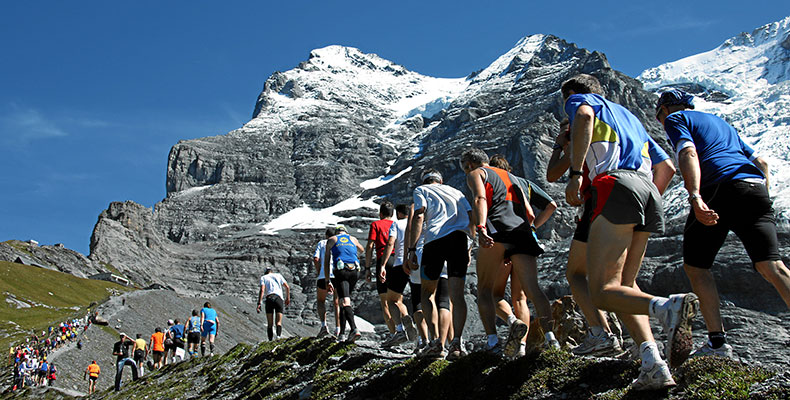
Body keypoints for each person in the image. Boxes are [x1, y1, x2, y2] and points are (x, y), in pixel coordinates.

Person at [562, 74, 697, 390]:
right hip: (648, 191)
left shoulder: (580, 101)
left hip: (613, 185)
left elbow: (582, 116)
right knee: (626, 284)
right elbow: (668, 168)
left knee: (602, 291)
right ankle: (653, 364)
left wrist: (576, 174)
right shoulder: (630, 117)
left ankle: (667, 307)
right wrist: (644, 195)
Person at [656, 89, 790, 357]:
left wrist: (695, 196)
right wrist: (762, 192)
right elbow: (761, 161)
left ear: (666, 110)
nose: (661, 121)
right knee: (771, 265)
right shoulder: (721, 123)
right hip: (754, 187)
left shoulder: (676, 118)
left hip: (719, 187)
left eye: (659, 115)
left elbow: (688, 153)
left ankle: (717, 344)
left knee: (696, 267)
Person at [547, 117, 675, 357]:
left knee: (577, 275)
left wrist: (560, 145)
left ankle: (601, 333)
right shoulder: (630, 130)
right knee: (626, 281)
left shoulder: (584, 137)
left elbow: (552, 173)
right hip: (644, 197)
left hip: (604, 198)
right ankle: (647, 348)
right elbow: (668, 168)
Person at [461, 149, 557, 357]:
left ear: (470, 164)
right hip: (522, 232)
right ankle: (552, 340)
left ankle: (493, 341)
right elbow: (531, 212)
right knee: (532, 289)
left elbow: (479, 198)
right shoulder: (514, 178)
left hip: (498, 230)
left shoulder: (476, 174)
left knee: (485, 290)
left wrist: (481, 228)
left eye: (465, 168)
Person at [489, 154, 558, 357]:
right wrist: (533, 228)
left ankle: (513, 323)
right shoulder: (524, 182)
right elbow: (551, 205)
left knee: (494, 294)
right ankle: (549, 339)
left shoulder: (492, 181)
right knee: (526, 294)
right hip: (526, 237)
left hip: (501, 238)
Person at [407, 168, 473, 360]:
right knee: (457, 296)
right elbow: (471, 217)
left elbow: (419, 215)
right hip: (459, 240)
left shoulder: (422, 190)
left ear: (426, 180)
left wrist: (412, 249)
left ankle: (436, 342)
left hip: (435, 240)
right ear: (441, 180)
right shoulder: (457, 192)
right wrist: (470, 246)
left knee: (427, 293)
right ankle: (457, 343)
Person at [379, 204, 418, 347]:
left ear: (399, 213)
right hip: (416, 264)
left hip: (399, 265)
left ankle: (400, 330)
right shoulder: (417, 223)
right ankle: (423, 337)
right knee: (420, 301)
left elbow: (390, 243)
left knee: (392, 300)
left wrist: (383, 265)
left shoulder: (397, 223)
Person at [324, 225, 366, 342]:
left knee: (344, 301)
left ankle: (354, 329)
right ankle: (342, 333)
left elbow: (327, 261)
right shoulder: (353, 239)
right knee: (344, 299)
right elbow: (362, 249)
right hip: (355, 271)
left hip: (341, 270)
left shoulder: (332, 240)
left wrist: (327, 280)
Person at [365, 201, 397, 342]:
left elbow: (370, 246)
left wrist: (367, 267)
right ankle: (405, 328)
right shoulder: (397, 224)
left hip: (383, 260)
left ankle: (393, 334)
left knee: (384, 301)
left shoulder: (376, 225)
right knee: (397, 299)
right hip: (398, 260)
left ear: (380, 213)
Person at [313, 227, 341, 337]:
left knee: (321, 301)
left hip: (323, 275)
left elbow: (316, 258)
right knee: (337, 302)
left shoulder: (322, 243)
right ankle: (338, 328)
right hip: (337, 274)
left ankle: (324, 325)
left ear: (326, 235)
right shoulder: (338, 242)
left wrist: (319, 270)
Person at [256, 267, 291, 341]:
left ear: (265, 272)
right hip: (278, 298)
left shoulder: (263, 277)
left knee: (270, 323)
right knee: (278, 322)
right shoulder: (278, 275)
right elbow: (287, 287)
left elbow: (262, 290)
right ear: (272, 271)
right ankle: (278, 336)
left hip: (269, 298)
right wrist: (288, 298)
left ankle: (270, 340)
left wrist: (259, 303)